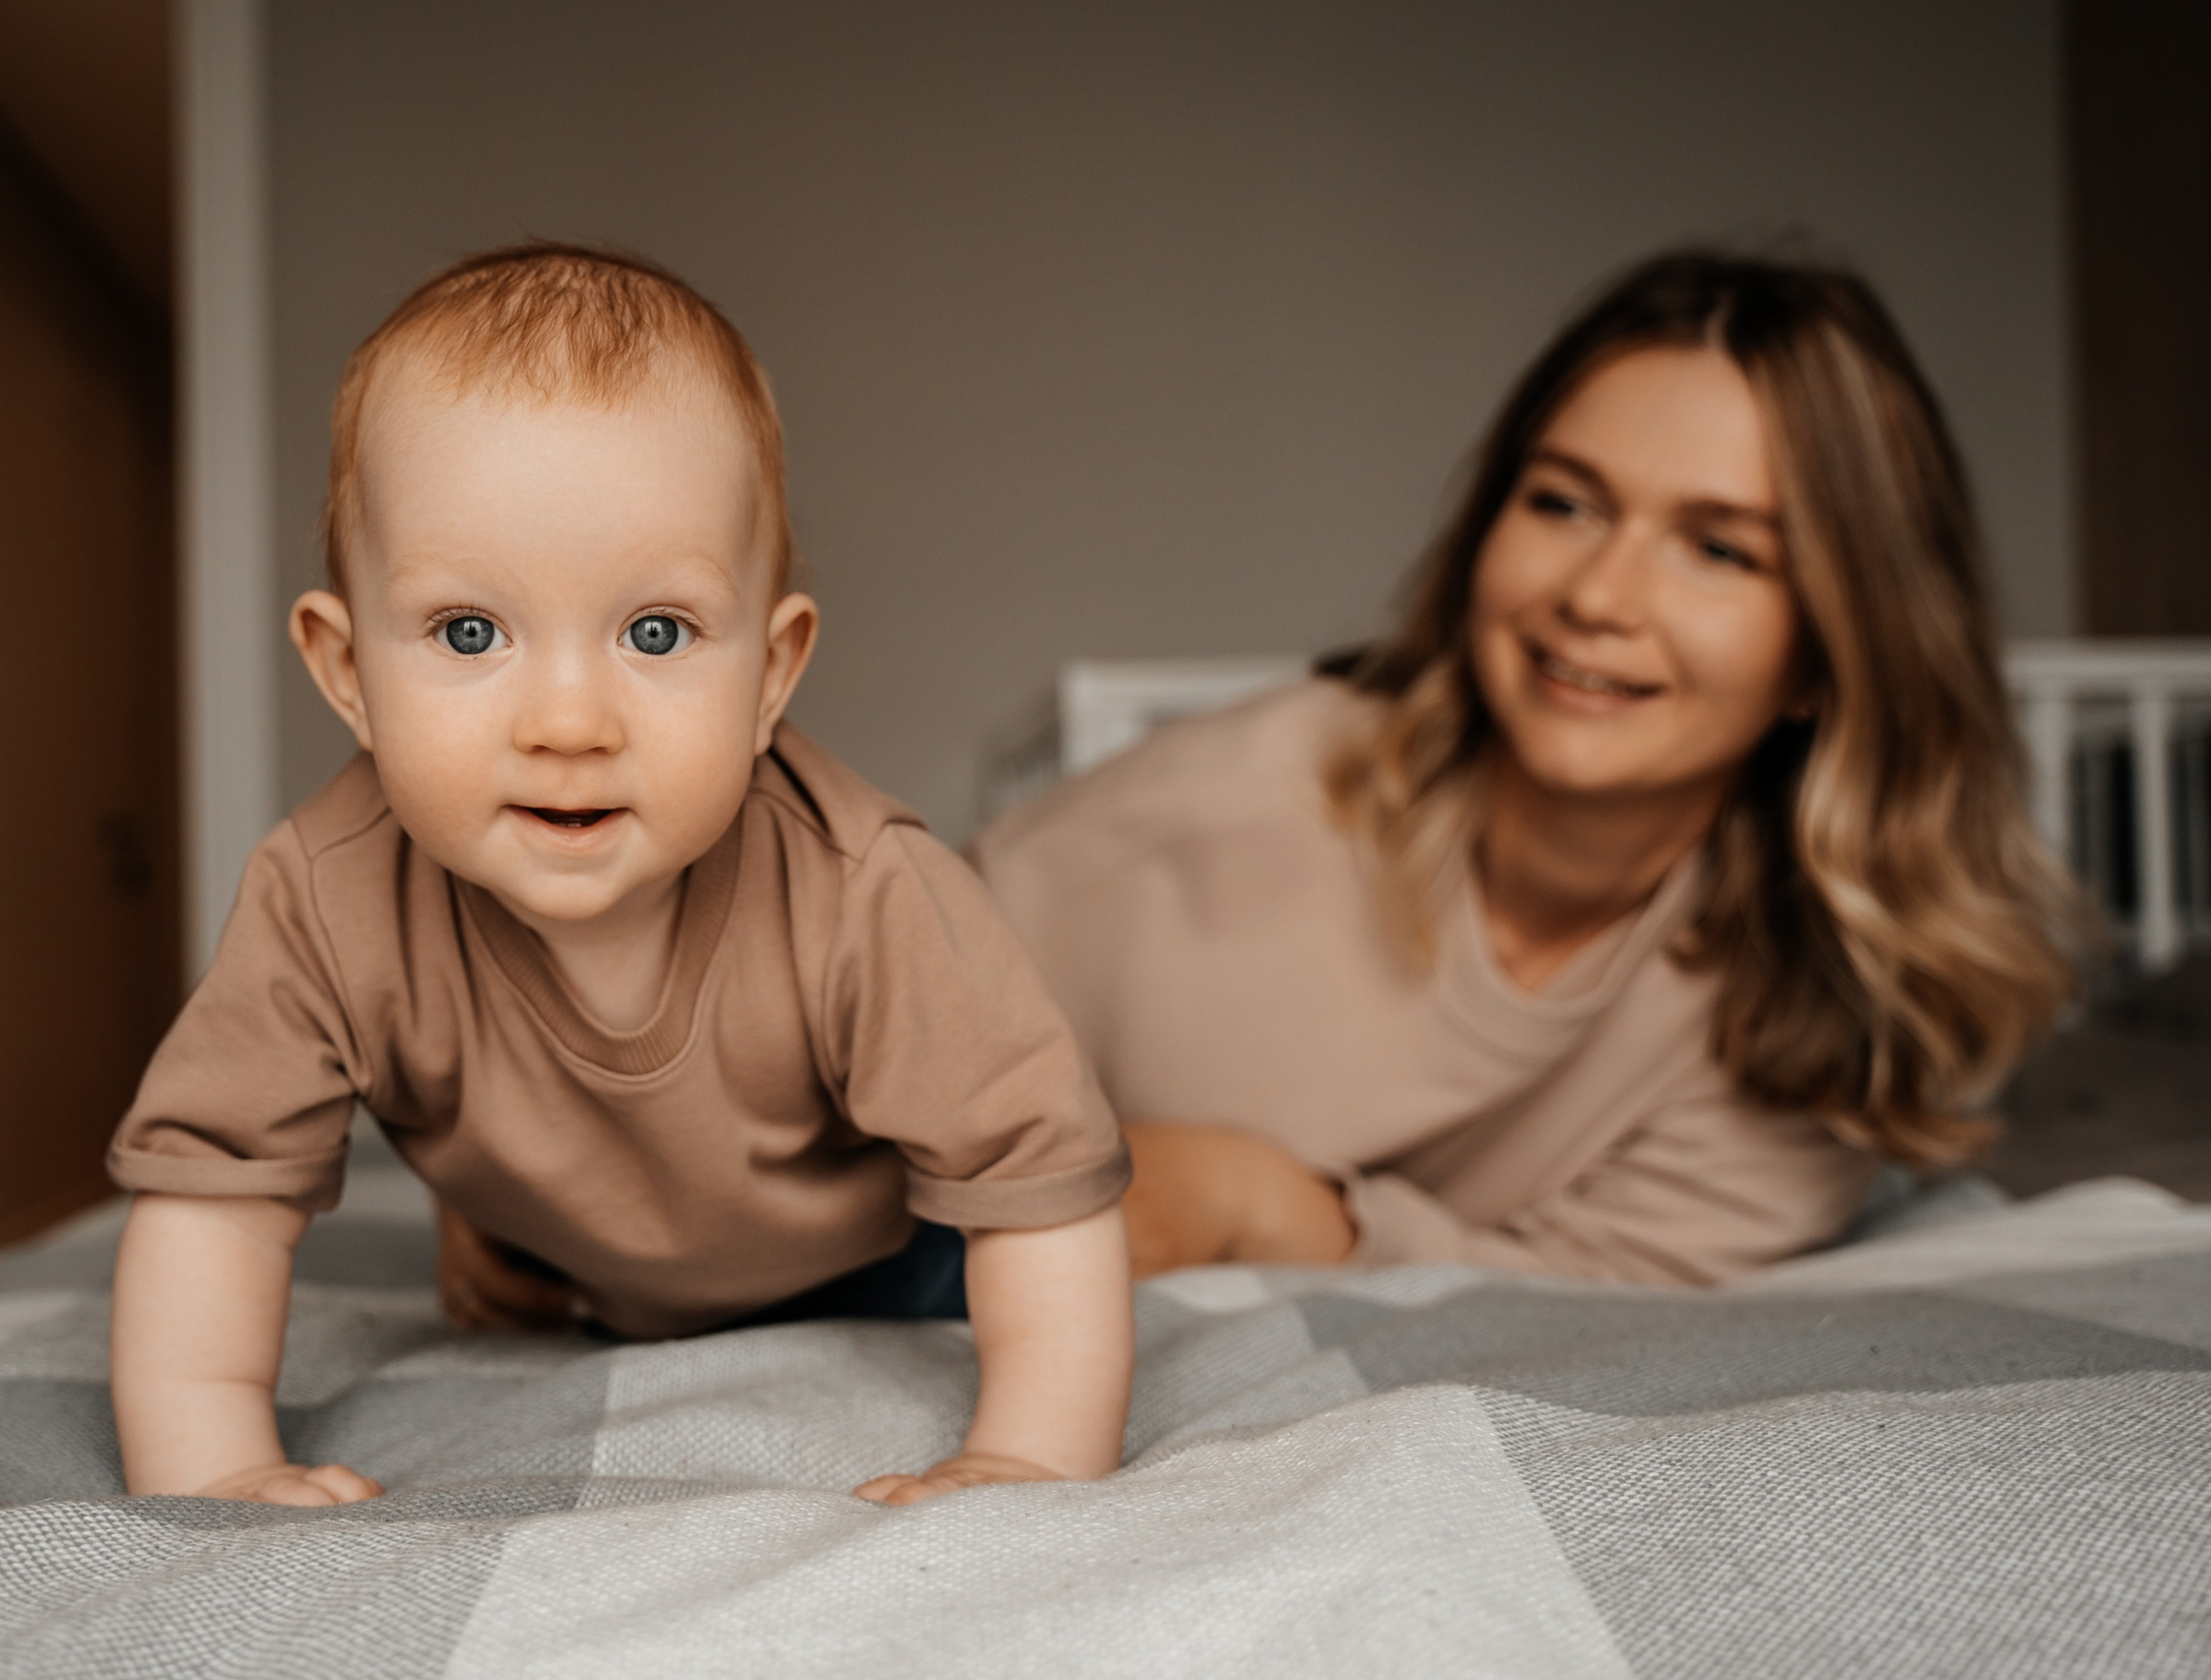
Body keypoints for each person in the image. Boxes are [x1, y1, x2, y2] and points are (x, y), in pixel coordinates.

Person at [105, 243, 1133, 1510]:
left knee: (1160, 1200)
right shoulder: (324, 899)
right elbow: (212, 1196)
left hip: (901, 1243)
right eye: (469, 631)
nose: (569, 718)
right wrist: (213, 1468)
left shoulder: (862, 889)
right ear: (347, 671)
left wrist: (1025, 1454)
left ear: (768, 672)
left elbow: (1036, 1180)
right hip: (604, 1258)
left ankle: (1280, 1187)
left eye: (656, 632)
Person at [973, 251, 2080, 1287]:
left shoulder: (1815, 1002)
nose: (1596, 596)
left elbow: (1583, 1298)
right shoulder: (1215, 809)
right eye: (1562, 502)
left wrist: (1259, 1202)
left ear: (1829, 655)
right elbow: (841, 1031)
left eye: (1719, 548)